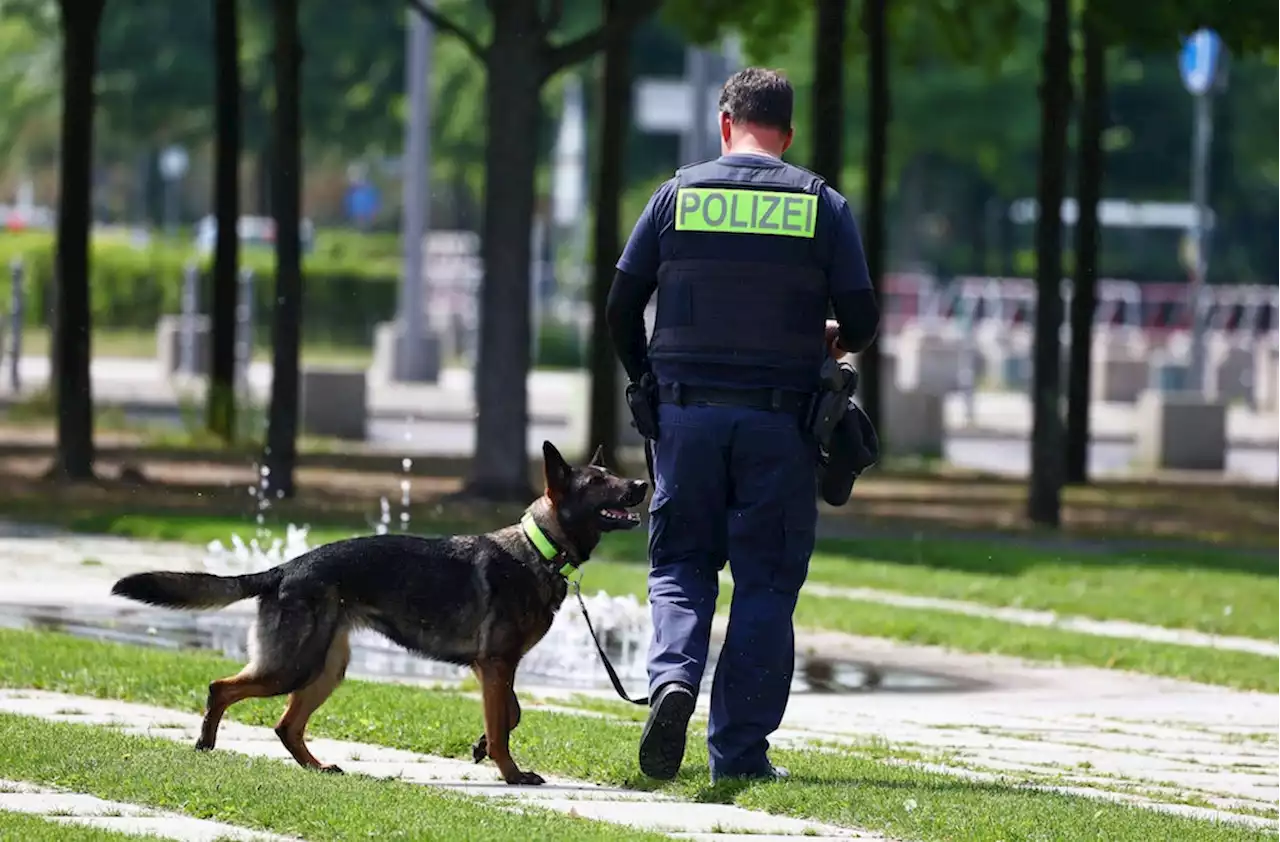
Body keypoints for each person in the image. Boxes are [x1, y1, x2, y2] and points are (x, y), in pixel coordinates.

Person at [605, 67, 881, 784]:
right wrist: (828, 333)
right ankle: (740, 755)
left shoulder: (676, 196)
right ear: (787, 136)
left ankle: (671, 683)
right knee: (764, 583)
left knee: (680, 566)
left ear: (726, 126)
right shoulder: (822, 205)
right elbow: (864, 319)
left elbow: (619, 306)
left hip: (685, 419)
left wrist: (646, 380)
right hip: (778, 430)